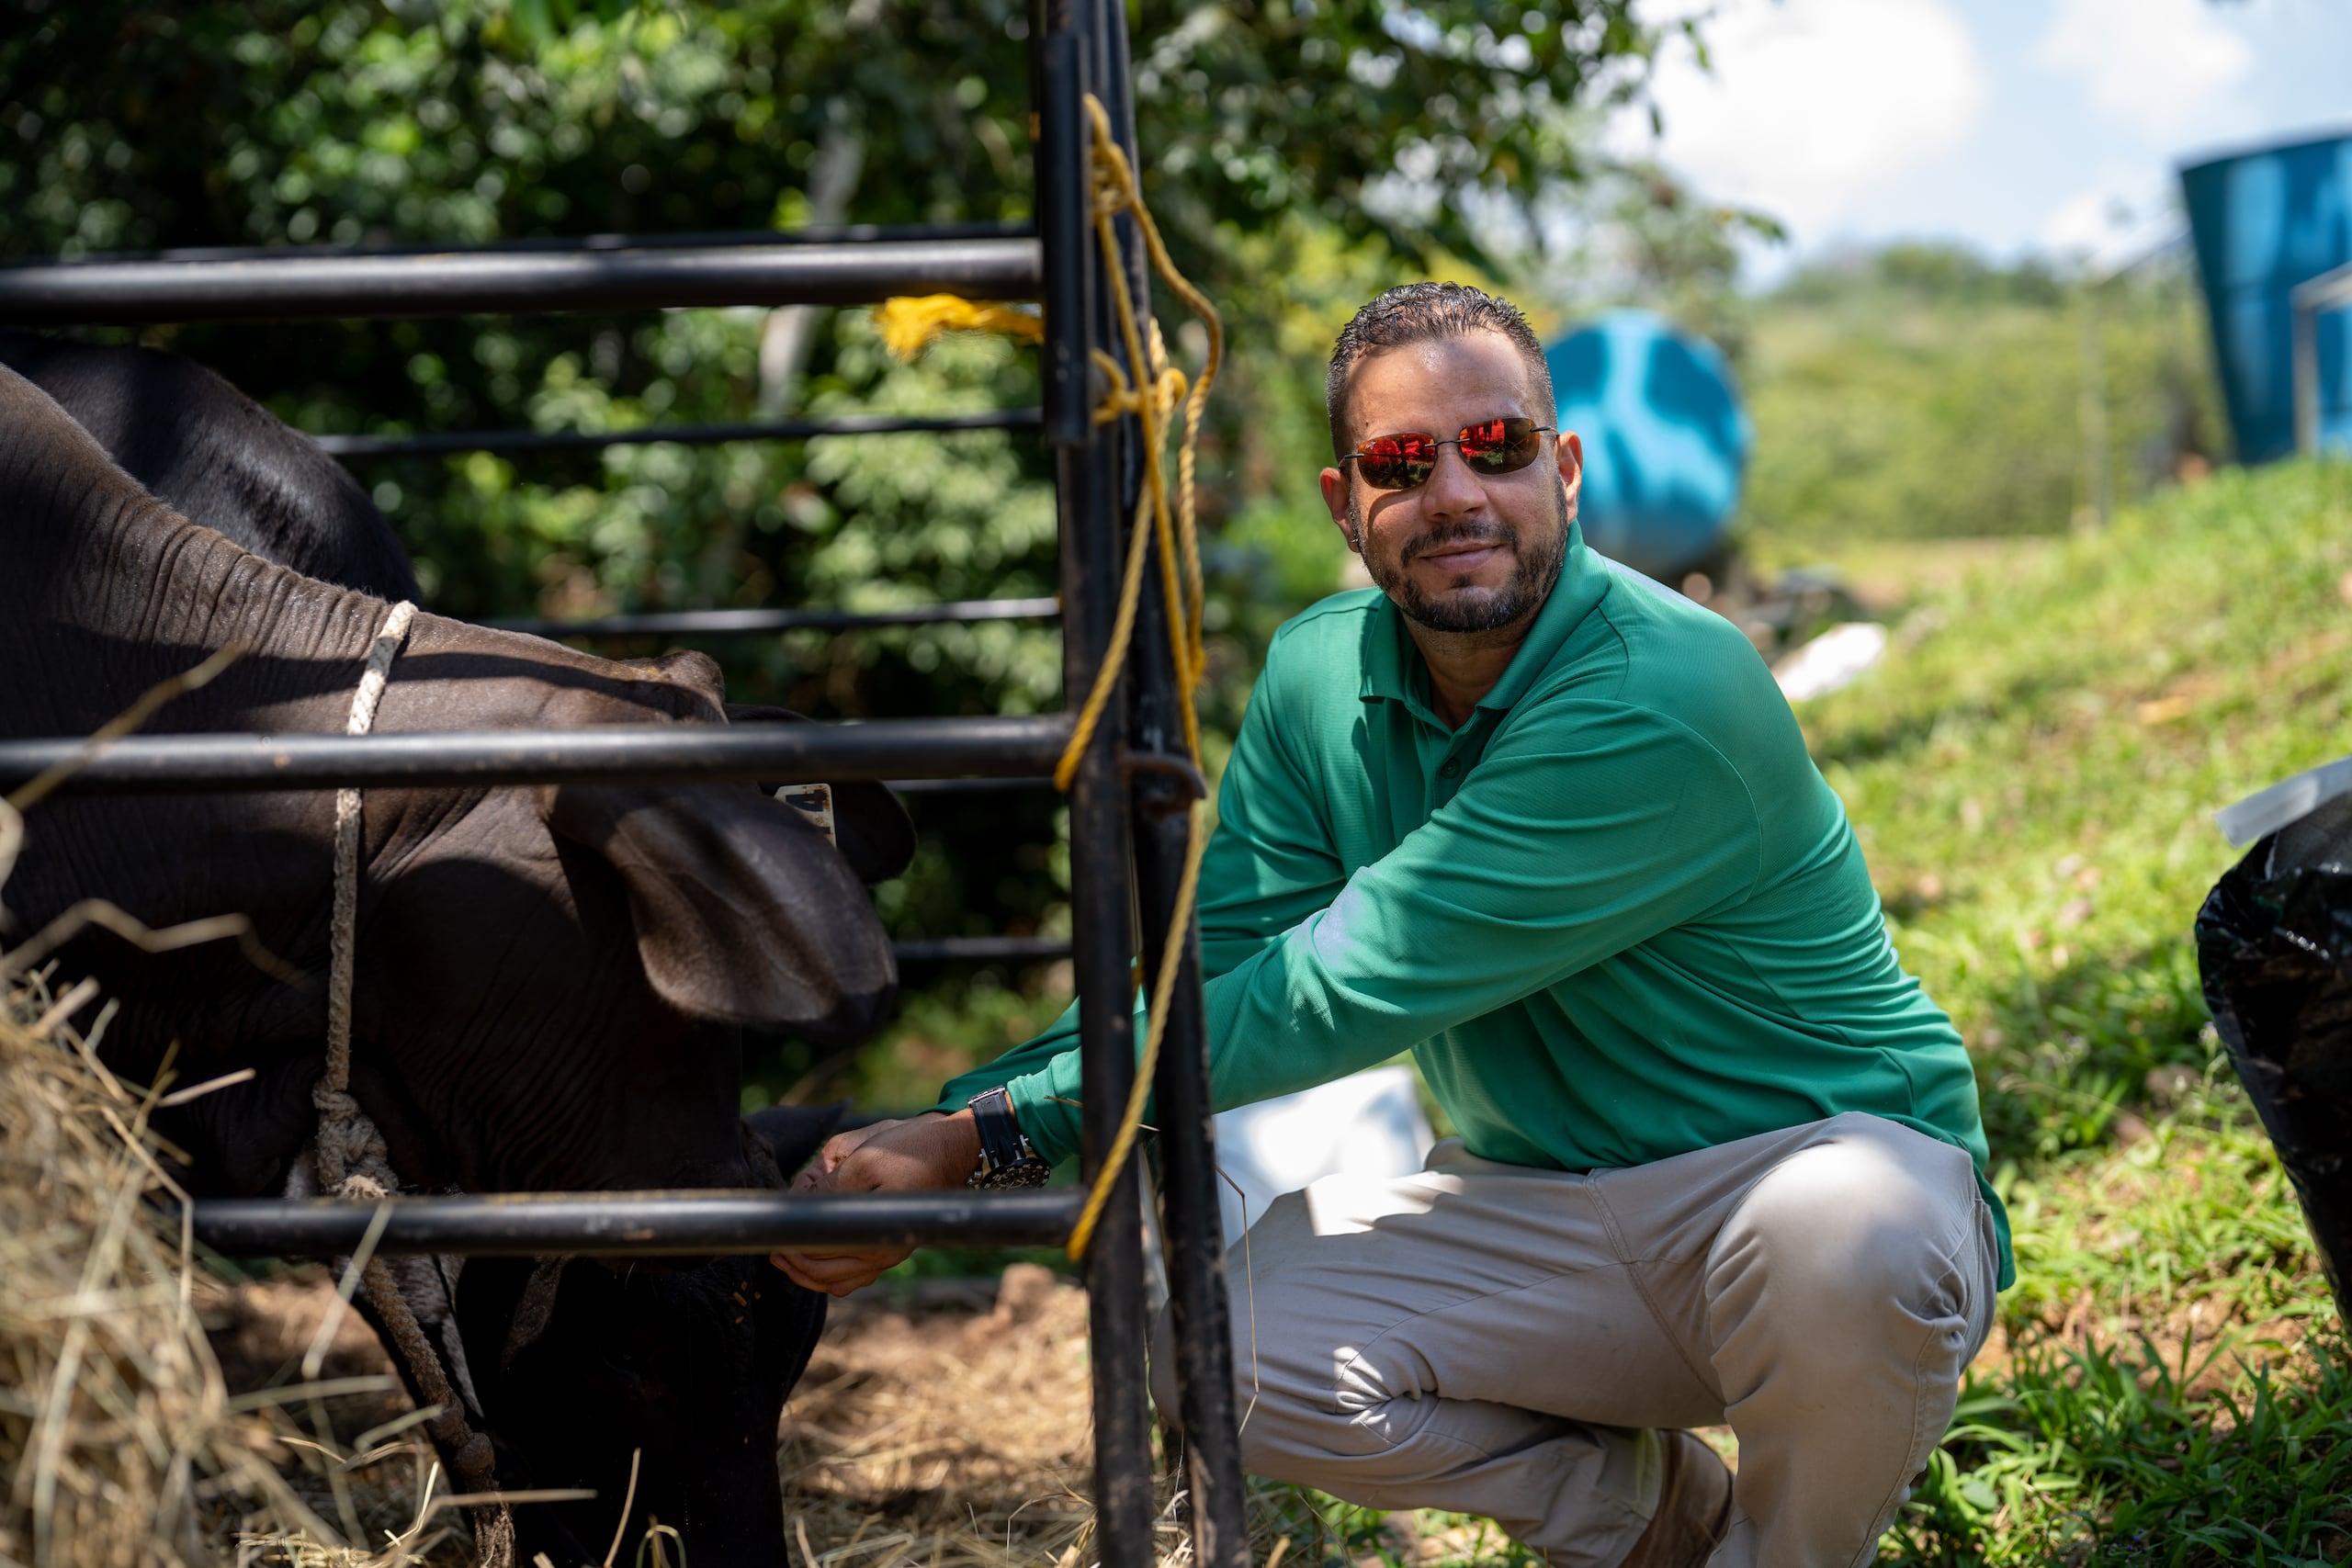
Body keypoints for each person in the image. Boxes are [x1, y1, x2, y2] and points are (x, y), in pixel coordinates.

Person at [772, 282, 2009, 1568]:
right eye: (1403, 463)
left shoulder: (1665, 691)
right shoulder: (1320, 675)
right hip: (1549, 1209)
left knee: (1849, 1238)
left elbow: (1337, 988)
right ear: (1343, 501)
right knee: (1226, 1349)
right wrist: (966, 1122)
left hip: (1802, 1195)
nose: (1456, 493)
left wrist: (982, 1141)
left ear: (1565, 470)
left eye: (1498, 446)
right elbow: (1209, 964)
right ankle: (1663, 1531)